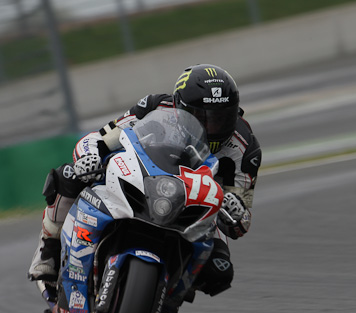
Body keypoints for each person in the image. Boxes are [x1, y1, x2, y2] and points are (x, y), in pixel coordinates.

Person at [27, 64, 261, 300]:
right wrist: (90, 157)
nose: (211, 128)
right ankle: (49, 248)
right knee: (68, 175)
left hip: (197, 206)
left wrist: (235, 210)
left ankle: (167, 299)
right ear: (180, 107)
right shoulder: (155, 106)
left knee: (220, 270)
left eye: (221, 119)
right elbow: (100, 138)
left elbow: (241, 219)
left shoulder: (245, 148)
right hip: (145, 179)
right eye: (201, 118)